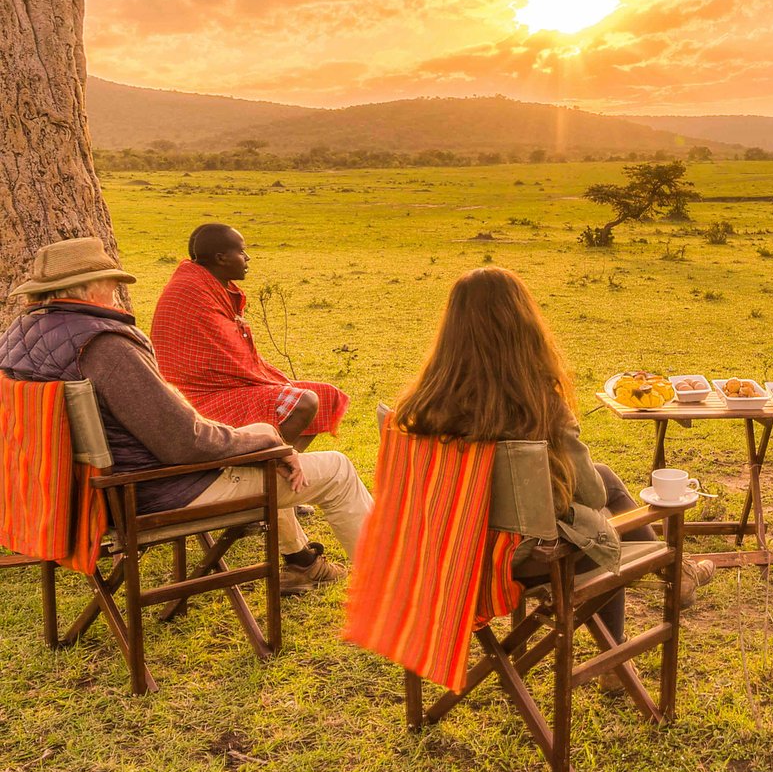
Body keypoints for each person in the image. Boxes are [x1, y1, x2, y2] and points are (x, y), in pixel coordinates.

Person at [0, 237, 372, 594]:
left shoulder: (18, 337)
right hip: (153, 492)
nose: (114, 293)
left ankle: (301, 563)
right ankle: (391, 589)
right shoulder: (104, 344)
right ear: (92, 286)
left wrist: (262, 438)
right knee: (335, 470)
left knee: (261, 437)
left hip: (73, 494)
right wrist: (270, 444)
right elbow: (183, 442)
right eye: (111, 283)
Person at [390, 267, 714, 643]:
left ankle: (682, 572)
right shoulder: (538, 406)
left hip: (446, 552)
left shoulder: (422, 406)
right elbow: (590, 496)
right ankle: (664, 588)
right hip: (516, 563)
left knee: (604, 478)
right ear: (523, 327)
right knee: (601, 525)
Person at [150, 224, 347, 451]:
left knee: (326, 395)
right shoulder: (192, 290)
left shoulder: (207, 284)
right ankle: (266, 467)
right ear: (221, 258)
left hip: (222, 386)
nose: (247, 258)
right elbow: (225, 358)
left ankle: (283, 463)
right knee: (304, 402)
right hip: (198, 397)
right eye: (242, 252)